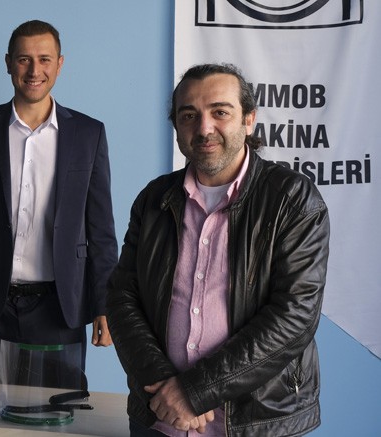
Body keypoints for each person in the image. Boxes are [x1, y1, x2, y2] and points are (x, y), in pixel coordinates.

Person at [106, 63, 328, 436]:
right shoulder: (154, 199)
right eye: (188, 115)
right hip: (160, 420)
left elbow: (295, 315)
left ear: (249, 120)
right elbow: (122, 297)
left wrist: (195, 392)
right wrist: (161, 384)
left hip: (256, 424)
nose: (204, 128)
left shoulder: (292, 199)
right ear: (176, 125)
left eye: (220, 112)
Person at [0, 20, 118, 385]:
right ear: (8, 63)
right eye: (24, 59)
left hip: (59, 307)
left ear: (60, 64)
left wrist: (104, 305)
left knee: (57, 410)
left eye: (44, 59)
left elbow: (101, 231)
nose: (35, 70)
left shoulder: (88, 134)